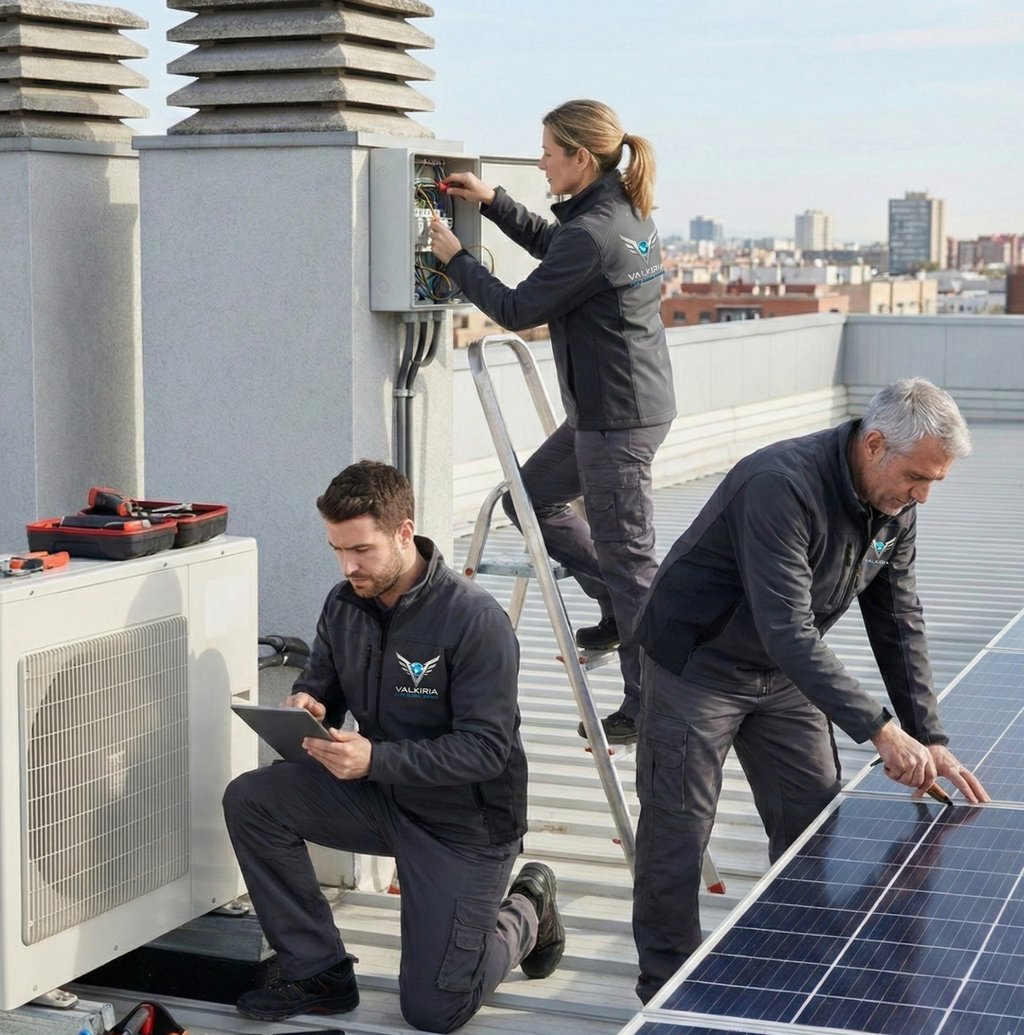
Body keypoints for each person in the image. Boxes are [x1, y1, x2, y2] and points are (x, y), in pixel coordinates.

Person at [629, 378, 991, 1004]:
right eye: (917, 477)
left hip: (785, 672)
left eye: (934, 482)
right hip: (700, 665)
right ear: (874, 444)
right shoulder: (781, 485)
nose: (923, 496)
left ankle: (796, 961)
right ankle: (667, 995)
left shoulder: (894, 508)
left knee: (812, 818)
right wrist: (881, 730)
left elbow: (898, 619)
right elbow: (787, 629)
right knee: (677, 832)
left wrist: (928, 735)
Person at [223, 461, 565, 1033]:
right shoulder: (345, 604)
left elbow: (486, 750)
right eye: (337, 550)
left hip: (464, 826)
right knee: (252, 799)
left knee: (435, 1011)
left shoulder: (474, 619)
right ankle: (318, 970)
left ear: (405, 532)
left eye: (361, 549)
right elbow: (324, 685)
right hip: (381, 798)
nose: (347, 566)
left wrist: (374, 758)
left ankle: (528, 908)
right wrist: (310, 703)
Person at [429, 98, 676, 746]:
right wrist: (493, 201)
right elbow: (559, 250)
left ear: (580, 157)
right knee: (530, 500)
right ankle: (613, 607)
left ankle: (650, 706)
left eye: (546, 152)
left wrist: (456, 259)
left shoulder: (595, 231)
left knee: (632, 567)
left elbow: (517, 308)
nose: (540, 163)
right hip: (622, 410)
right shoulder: (624, 212)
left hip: (616, 421)